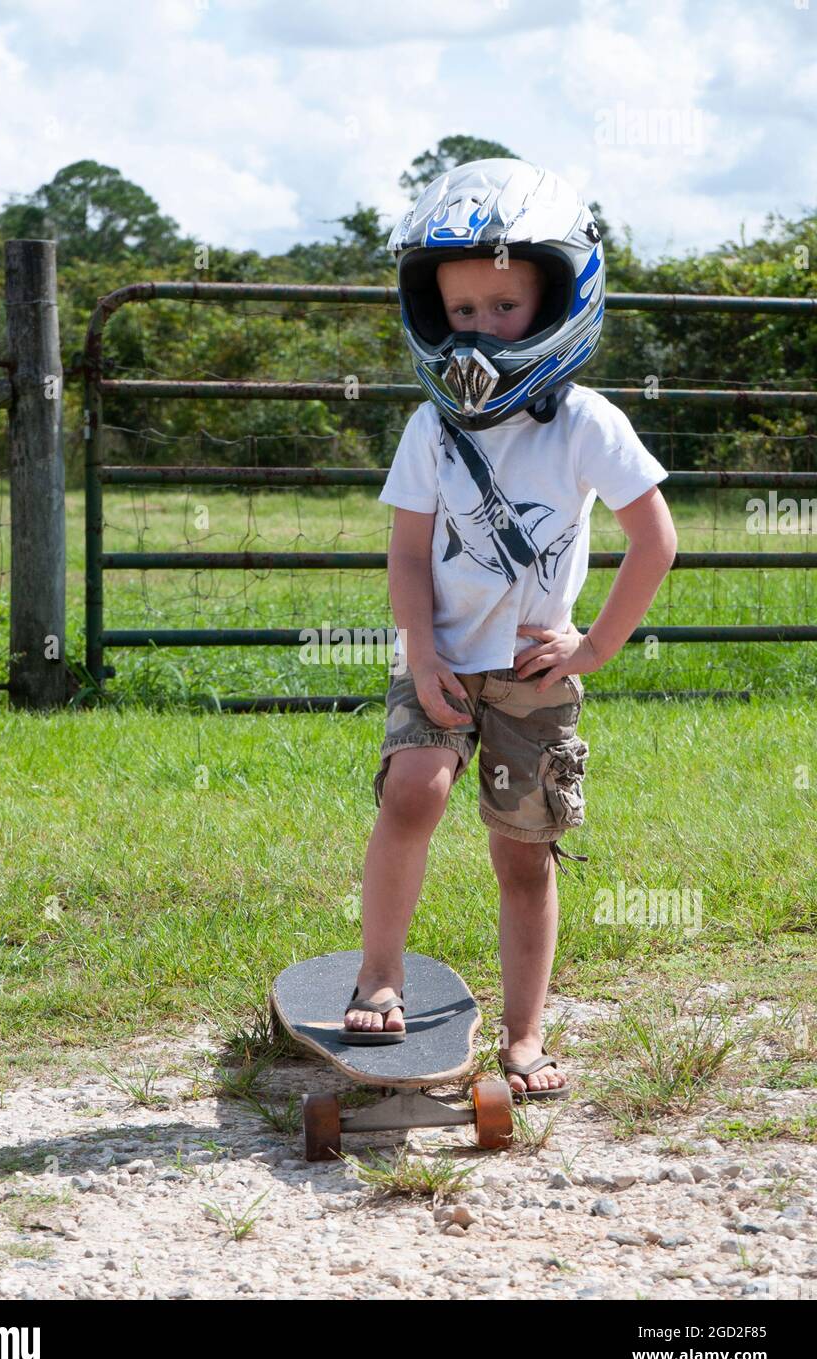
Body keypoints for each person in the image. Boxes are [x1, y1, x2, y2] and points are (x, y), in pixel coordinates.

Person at [342, 159, 678, 1102]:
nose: (479, 329)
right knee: (411, 793)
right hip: (442, 658)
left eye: (503, 307)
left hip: (535, 672)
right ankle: (380, 973)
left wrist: (594, 648)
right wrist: (420, 645)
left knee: (522, 854)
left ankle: (525, 1036)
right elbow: (409, 556)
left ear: (560, 299)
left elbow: (655, 540)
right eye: (459, 311)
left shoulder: (585, 424)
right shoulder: (430, 428)